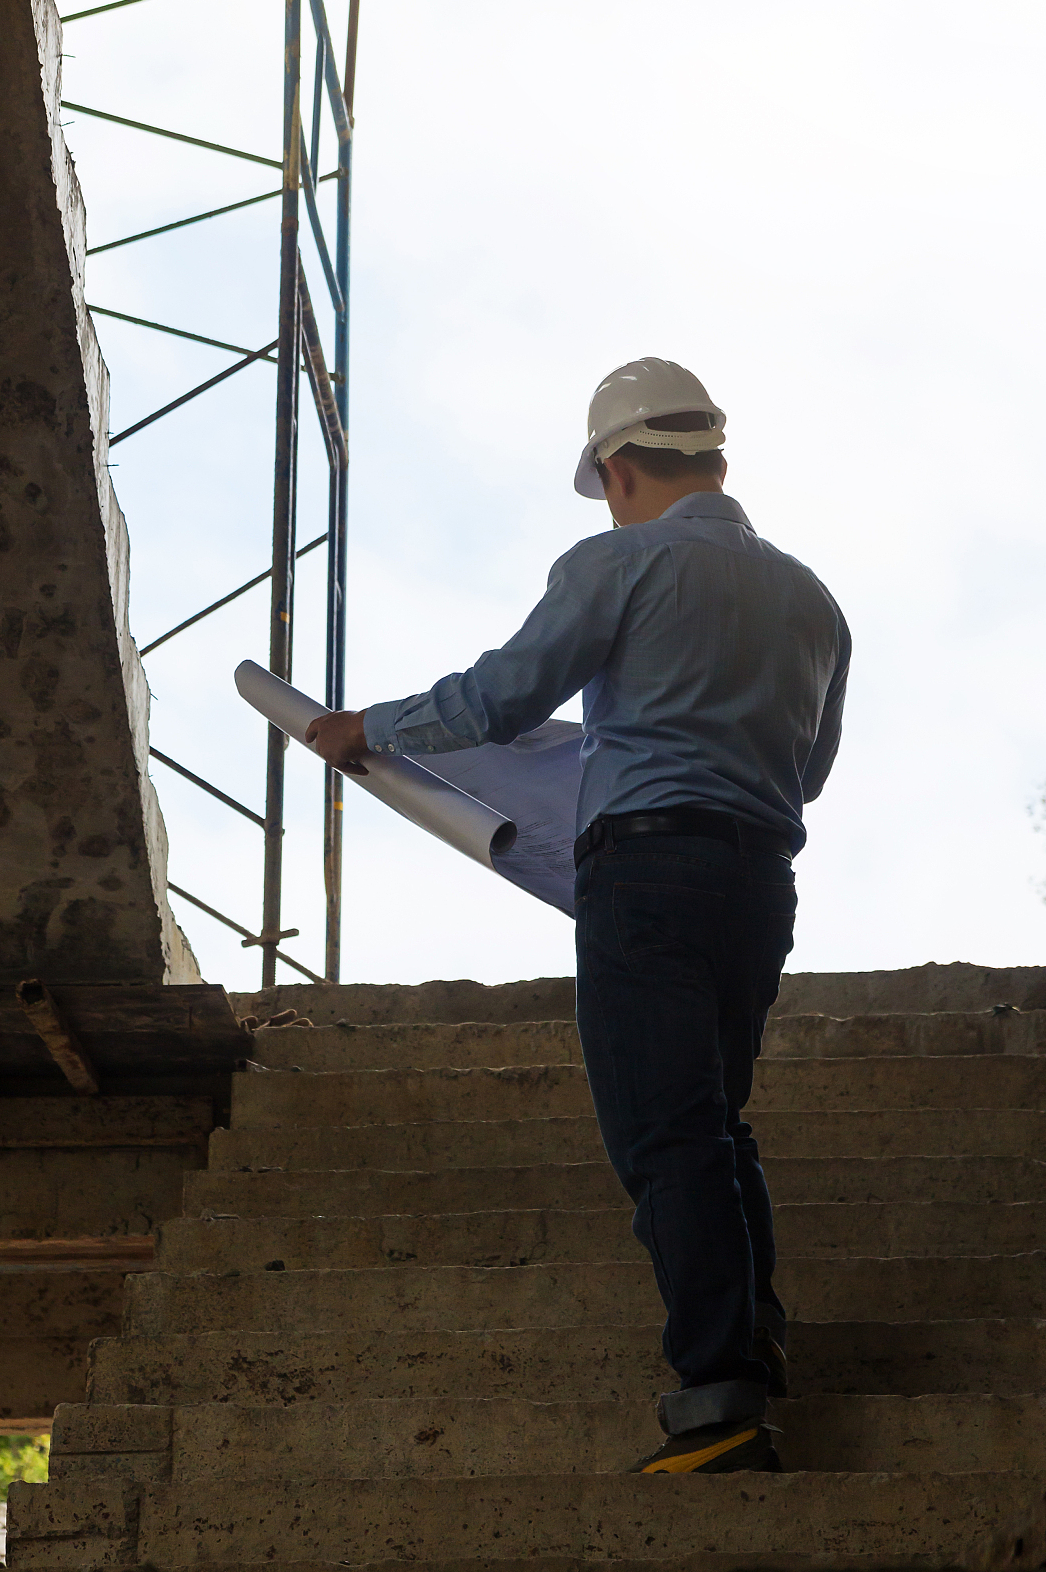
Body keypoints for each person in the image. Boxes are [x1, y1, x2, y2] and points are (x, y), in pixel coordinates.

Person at [305, 357, 851, 1474]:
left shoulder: (620, 560)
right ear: (716, 459)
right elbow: (815, 770)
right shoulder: (813, 599)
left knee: (666, 1128)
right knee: (716, 1117)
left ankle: (722, 1391)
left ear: (617, 468)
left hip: (644, 877)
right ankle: (752, 1337)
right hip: (758, 883)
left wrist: (374, 725)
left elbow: (504, 695)